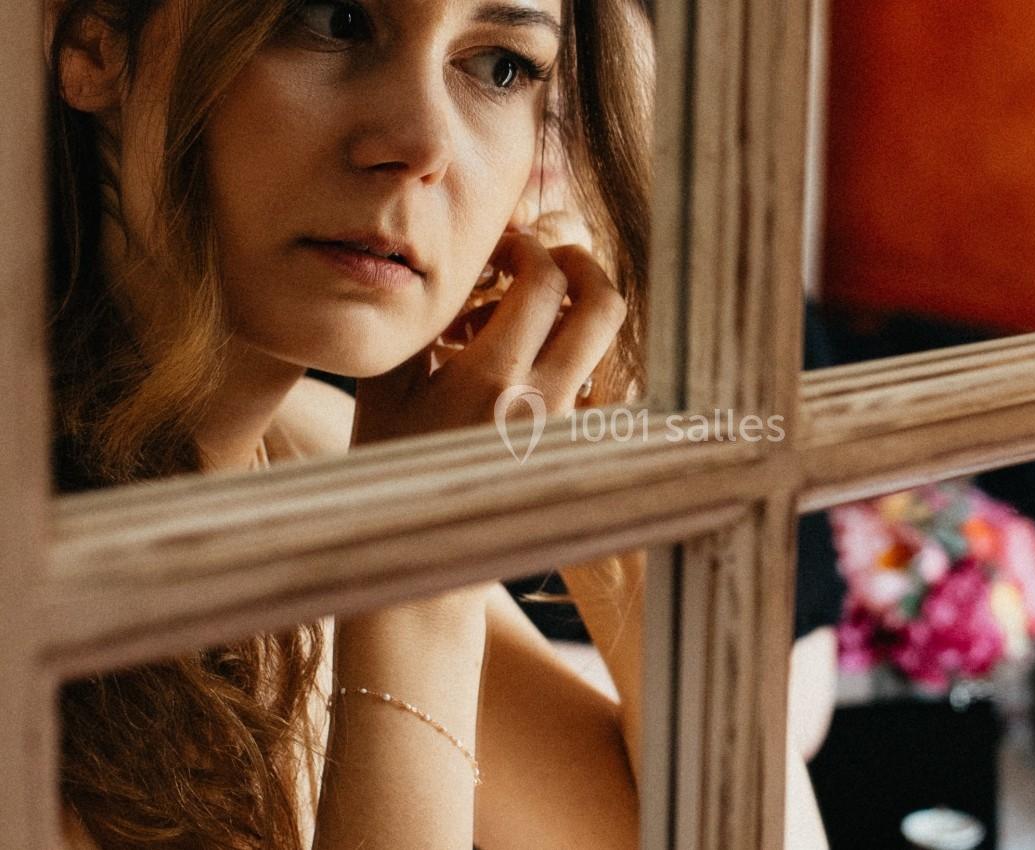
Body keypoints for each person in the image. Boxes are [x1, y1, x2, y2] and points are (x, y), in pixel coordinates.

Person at [47, 0, 653, 847]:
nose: (424, 145)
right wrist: (419, 584)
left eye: (501, 67)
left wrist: (609, 457)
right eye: (336, 20)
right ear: (95, 41)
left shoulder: (320, 453)